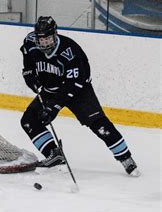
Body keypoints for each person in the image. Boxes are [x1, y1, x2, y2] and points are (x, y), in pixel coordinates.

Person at [19, 16, 140, 177]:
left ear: (55, 35)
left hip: (78, 90)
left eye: (48, 39)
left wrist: (54, 106)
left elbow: (74, 83)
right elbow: (28, 60)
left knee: (99, 125)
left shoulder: (70, 51)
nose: (45, 43)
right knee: (29, 121)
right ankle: (54, 154)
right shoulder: (30, 42)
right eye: (42, 40)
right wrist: (29, 75)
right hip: (50, 90)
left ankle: (126, 159)